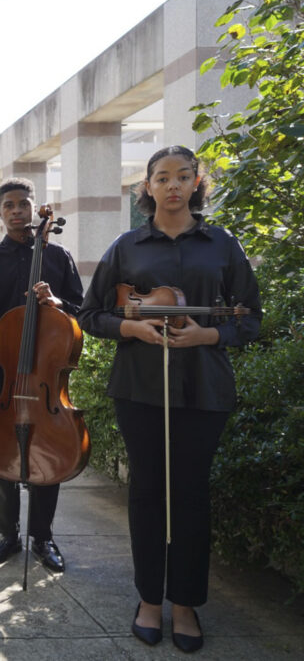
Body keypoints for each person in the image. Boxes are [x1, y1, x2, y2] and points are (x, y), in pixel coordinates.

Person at [78, 146, 261, 653]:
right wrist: (131, 326)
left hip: (204, 387)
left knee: (191, 495)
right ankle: (148, 601)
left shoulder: (222, 245)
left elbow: (251, 318)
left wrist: (210, 337)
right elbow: (91, 315)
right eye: (162, 177)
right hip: (139, 388)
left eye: (183, 176)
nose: (173, 185)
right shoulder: (126, 246)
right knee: (146, 492)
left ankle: (185, 604)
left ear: (197, 182)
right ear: (148, 187)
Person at [0, 177, 84, 574]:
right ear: (0, 214)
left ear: (35, 208)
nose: (17, 211)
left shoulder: (59, 256)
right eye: (9, 206)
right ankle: (7, 534)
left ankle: (42, 536)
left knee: (47, 452)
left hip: (46, 374)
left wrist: (57, 302)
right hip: (6, 375)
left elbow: (81, 312)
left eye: (23, 204)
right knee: (2, 452)